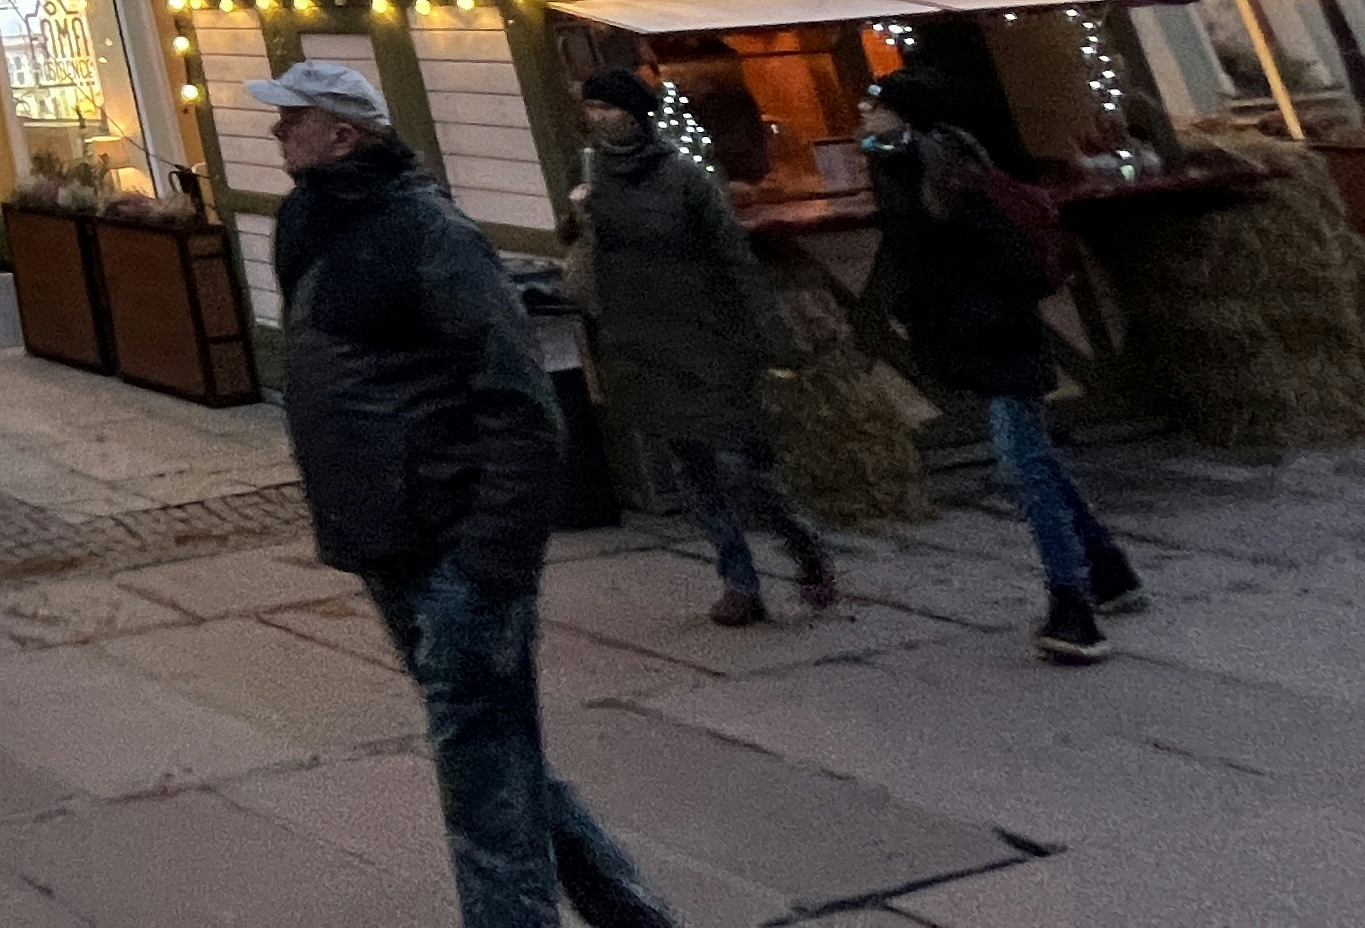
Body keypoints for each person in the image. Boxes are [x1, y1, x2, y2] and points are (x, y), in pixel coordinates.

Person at [253, 60, 681, 928]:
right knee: (495, 754)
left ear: (342, 135)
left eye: (292, 118)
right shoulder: (308, 224)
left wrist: (492, 559)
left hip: (456, 545)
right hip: (385, 538)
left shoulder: (428, 232)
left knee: (484, 785)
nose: (275, 130)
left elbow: (521, 405)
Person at [860, 71, 1142, 664]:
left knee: (1022, 467)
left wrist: (967, 309)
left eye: (877, 103)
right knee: (1034, 462)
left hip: (1000, 336)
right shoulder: (895, 164)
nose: (863, 109)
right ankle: (1109, 570)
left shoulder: (951, 170)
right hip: (969, 335)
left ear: (907, 114)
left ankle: (1074, 608)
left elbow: (1009, 264)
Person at [564, 65, 838, 626]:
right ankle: (738, 579)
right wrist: (579, 218)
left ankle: (800, 542)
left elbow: (733, 258)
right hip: (641, 338)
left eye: (608, 108)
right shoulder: (589, 172)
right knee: (690, 469)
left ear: (635, 114)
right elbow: (581, 249)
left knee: (738, 464)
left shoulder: (684, 175)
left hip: (705, 335)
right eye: (591, 109)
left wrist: (769, 337)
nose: (598, 119)